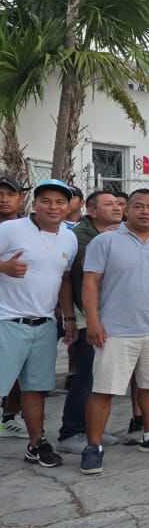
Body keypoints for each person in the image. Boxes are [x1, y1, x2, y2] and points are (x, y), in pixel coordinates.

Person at [80, 189, 149, 474]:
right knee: (104, 390)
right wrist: (93, 321)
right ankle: (93, 446)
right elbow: (90, 283)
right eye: (138, 206)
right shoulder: (105, 242)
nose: (144, 212)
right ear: (126, 209)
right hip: (115, 331)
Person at [0, 180, 78, 467]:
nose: (53, 207)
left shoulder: (69, 237)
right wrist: (4, 267)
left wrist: (68, 317)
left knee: (35, 388)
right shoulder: (10, 229)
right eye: (46, 200)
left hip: (44, 324)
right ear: (35, 203)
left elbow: (65, 279)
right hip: (6, 320)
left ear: (69, 206)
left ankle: (36, 444)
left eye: (60, 202)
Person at [58, 190, 124, 454]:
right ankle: (70, 432)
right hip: (88, 314)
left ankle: (90, 428)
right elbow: (68, 280)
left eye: (120, 204)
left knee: (100, 375)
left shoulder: (117, 233)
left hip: (112, 312)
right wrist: (70, 317)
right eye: (109, 204)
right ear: (92, 210)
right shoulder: (80, 238)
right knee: (85, 375)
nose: (117, 208)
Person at [0, 176, 28, 438]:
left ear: (20, 198)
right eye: (0, 193)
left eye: (10, 194)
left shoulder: (31, 227)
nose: (4, 198)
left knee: (20, 370)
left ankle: (10, 416)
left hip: (24, 312)